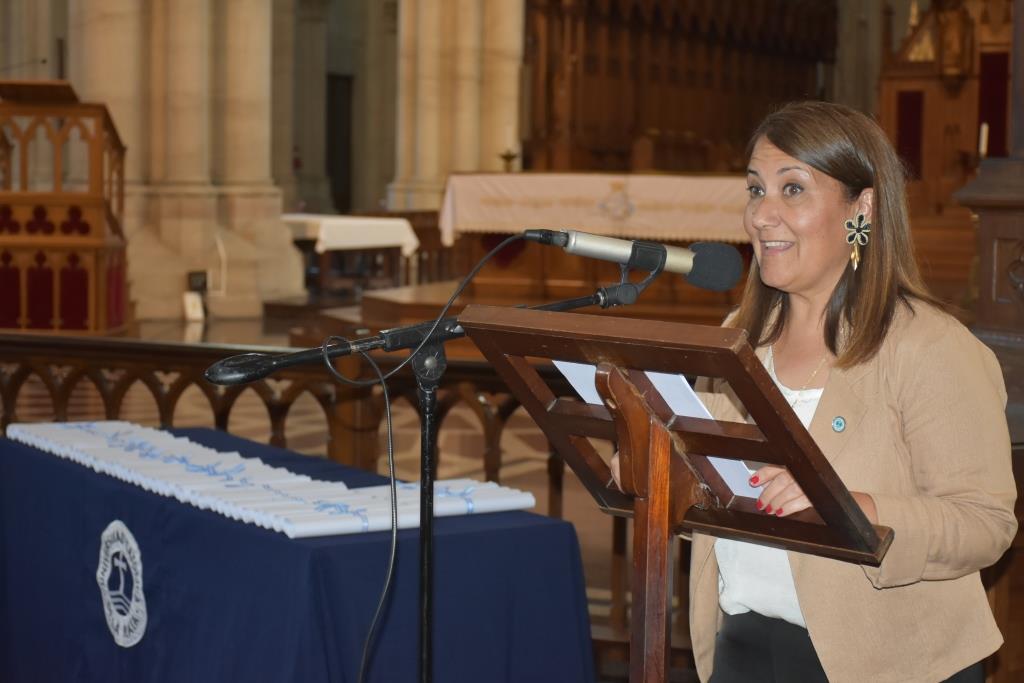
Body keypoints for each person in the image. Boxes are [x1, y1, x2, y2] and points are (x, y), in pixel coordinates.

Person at [615, 101, 1017, 682]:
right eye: (756, 190)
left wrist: (846, 505)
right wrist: (647, 452)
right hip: (743, 645)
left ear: (863, 207)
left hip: (886, 660)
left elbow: (985, 524)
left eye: (793, 190)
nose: (762, 215)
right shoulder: (738, 339)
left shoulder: (929, 347)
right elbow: (706, 477)